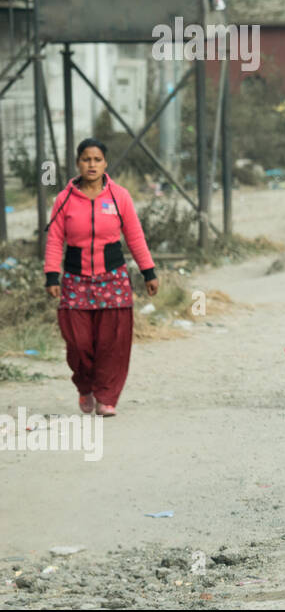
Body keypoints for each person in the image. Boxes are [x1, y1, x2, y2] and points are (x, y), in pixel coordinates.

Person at [43, 138, 159, 417]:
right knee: (78, 343)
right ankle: (85, 387)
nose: (91, 164)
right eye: (86, 159)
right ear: (77, 163)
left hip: (113, 279)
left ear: (105, 163)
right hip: (75, 279)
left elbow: (134, 236)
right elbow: (55, 239)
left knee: (112, 343)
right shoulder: (64, 199)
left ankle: (107, 397)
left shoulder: (120, 197)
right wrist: (51, 275)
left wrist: (149, 272)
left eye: (97, 159)